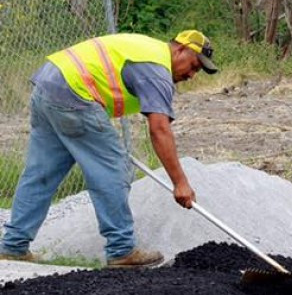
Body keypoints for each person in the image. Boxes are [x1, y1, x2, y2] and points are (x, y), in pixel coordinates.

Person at [0, 30, 218, 268]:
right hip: (75, 94)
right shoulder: (156, 69)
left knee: (41, 173)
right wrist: (180, 182)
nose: (192, 75)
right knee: (114, 170)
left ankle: (13, 245)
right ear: (180, 50)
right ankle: (121, 249)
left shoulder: (146, 50)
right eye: (194, 65)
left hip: (49, 86)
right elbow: (159, 129)